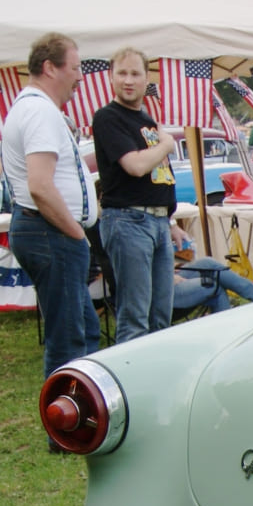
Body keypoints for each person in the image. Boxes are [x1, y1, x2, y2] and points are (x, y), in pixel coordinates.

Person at [3, 32, 102, 415]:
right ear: (50, 68)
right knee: (67, 336)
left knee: (83, 327)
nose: (80, 77)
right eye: (75, 68)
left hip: (46, 231)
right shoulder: (40, 112)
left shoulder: (33, 109)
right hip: (51, 233)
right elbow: (41, 186)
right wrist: (77, 234)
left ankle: (85, 412)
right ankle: (67, 425)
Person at [92, 47, 177, 343]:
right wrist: (167, 144)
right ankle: (130, 386)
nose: (128, 80)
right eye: (122, 73)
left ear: (146, 78)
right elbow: (136, 166)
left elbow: (158, 175)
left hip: (159, 223)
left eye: (135, 73)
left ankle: (156, 384)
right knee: (135, 318)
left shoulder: (146, 120)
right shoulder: (108, 118)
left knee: (161, 317)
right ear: (111, 77)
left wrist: (171, 222)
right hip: (128, 221)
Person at [172, 256, 253, 312]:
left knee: (208, 263)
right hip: (159, 289)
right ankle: (223, 335)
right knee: (213, 286)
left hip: (166, 276)